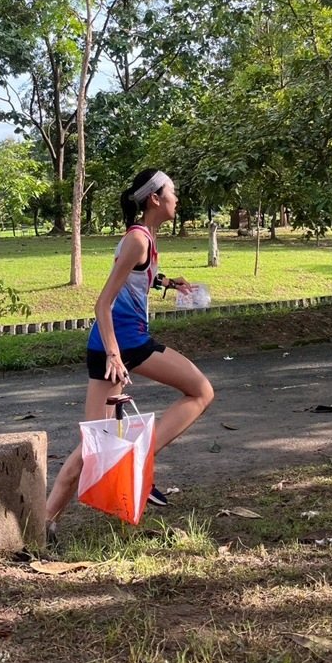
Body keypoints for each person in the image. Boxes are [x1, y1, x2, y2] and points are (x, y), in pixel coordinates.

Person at [45, 168, 215, 536]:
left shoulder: (146, 239)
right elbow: (102, 303)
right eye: (173, 192)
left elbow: (140, 275)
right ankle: (135, 458)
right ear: (155, 198)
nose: (177, 198)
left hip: (123, 344)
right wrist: (113, 355)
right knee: (201, 391)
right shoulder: (138, 239)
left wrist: (170, 283)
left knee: (94, 447)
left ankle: (45, 522)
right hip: (122, 345)